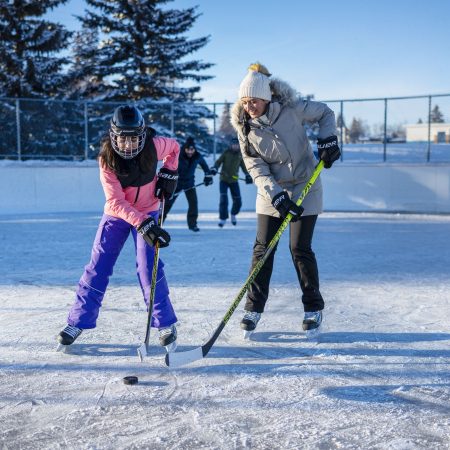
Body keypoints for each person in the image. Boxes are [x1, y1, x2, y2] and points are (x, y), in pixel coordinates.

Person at [230, 63, 340, 335]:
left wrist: (327, 140)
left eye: (253, 100)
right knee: (262, 248)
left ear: (266, 98)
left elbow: (325, 112)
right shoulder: (245, 128)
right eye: (245, 102)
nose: (249, 107)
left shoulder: (292, 108)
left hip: (306, 184)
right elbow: (255, 167)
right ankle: (253, 308)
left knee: (299, 248)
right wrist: (276, 196)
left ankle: (313, 308)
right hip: (272, 191)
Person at [57, 105, 180, 350]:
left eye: (134, 138)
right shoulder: (106, 159)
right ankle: (78, 321)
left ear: (143, 136)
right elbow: (115, 201)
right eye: (123, 139)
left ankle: (164, 323)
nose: (128, 145)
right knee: (98, 266)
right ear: (114, 137)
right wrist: (143, 223)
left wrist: (169, 172)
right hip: (117, 215)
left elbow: (175, 148)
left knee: (149, 268)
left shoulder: (155, 146)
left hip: (148, 210)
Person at [164, 137, 213, 232]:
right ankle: (159, 223)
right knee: (167, 203)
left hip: (189, 183)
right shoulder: (178, 155)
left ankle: (192, 224)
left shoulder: (197, 156)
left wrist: (208, 176)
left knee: (193, 203)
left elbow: (206, 167)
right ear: (184, 149)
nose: (190, 152)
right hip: (176, 183)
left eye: (192, 150)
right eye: (188, 149)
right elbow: (168, 166)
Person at [210, 137, 253, 227]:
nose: (235, 146)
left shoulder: (240, 155)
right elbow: (218, 162)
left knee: (238, 200)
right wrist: (215, 168)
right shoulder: (226, 153)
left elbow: (244, 167)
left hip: (234, 180)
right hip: (224, 180)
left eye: (237, 145)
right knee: (223, 199)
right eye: (234, 145)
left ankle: (233, 214)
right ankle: (223, 218)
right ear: (231, 145)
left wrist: (247, 175)